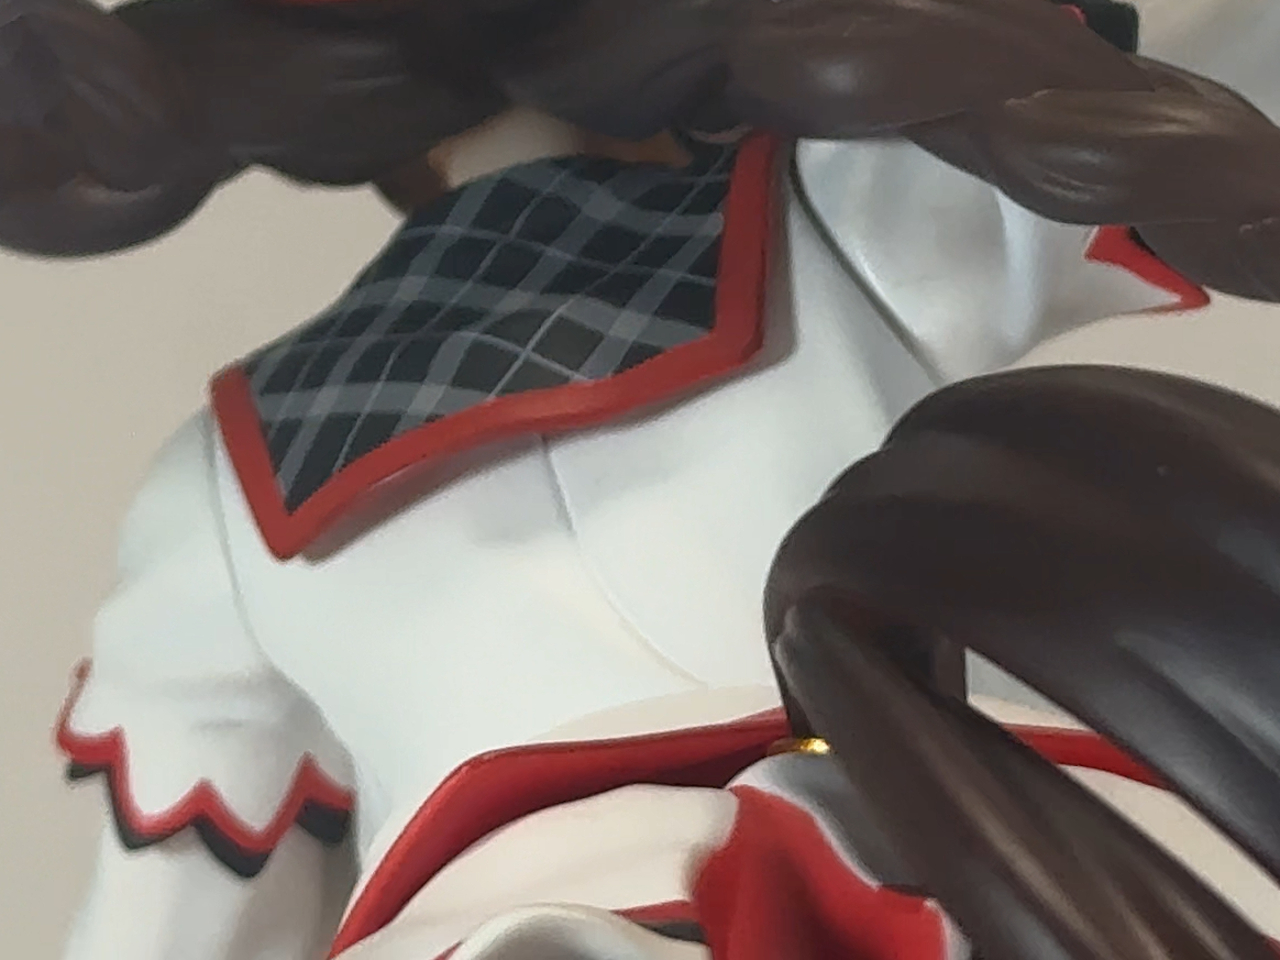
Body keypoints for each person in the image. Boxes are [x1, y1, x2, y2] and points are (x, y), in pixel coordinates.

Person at [31, 0, 1280, 956]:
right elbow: (1170, 128)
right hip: (950, 844)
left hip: (505, 919)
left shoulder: (212, 482)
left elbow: (165, 927)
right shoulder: (835, 229)